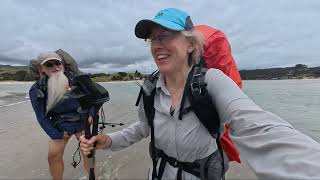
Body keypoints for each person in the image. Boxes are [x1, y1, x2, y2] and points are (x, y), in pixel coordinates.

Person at [79, 8, 320, 179]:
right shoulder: (151, 86)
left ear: (191, 44)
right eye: (153, 39)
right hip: (159, 172)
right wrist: (109, 141)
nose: (157, 45)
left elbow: (258, 126)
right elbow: (144, 127)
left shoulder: (212, 81)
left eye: (165, 36)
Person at [29, 51, 89, 180]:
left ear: (62, 64)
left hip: (82, 120)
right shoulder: (36, 89)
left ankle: (93, 177)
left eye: (57, 63)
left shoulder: (77, 80)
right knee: (53, 156)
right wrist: (56, 134)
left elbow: (93, 100)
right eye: (49, 65)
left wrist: (90, 117)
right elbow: (41, 116)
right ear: (42, 69)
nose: (55, 67)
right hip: (59, 124)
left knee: (88, 152)